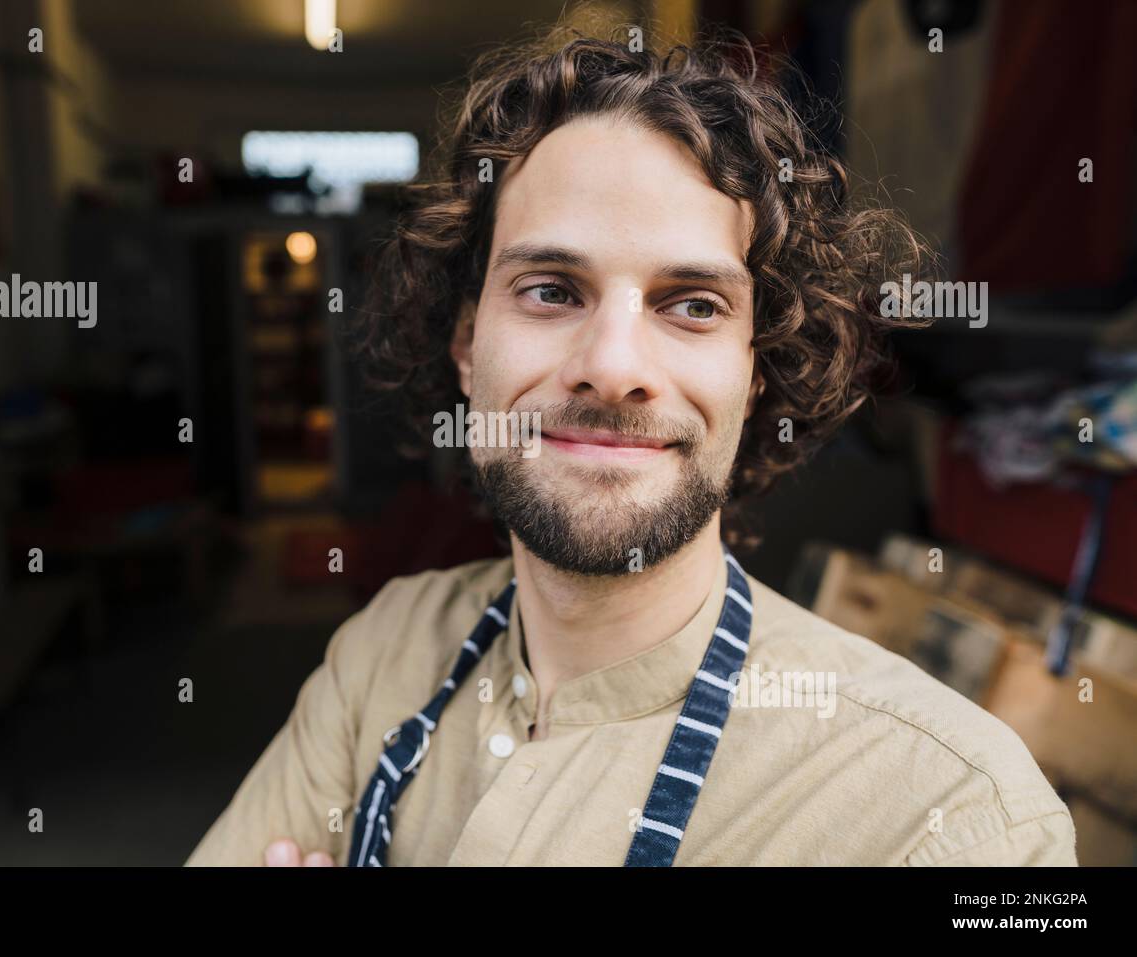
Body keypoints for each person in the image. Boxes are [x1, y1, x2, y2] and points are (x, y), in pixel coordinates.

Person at [186, 23, 1076, 867]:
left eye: (692, 305)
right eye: (550, 290)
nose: (612, 369)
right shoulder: (384, 650)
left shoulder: (954, 815)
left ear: (757, 372)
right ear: (466, 345)